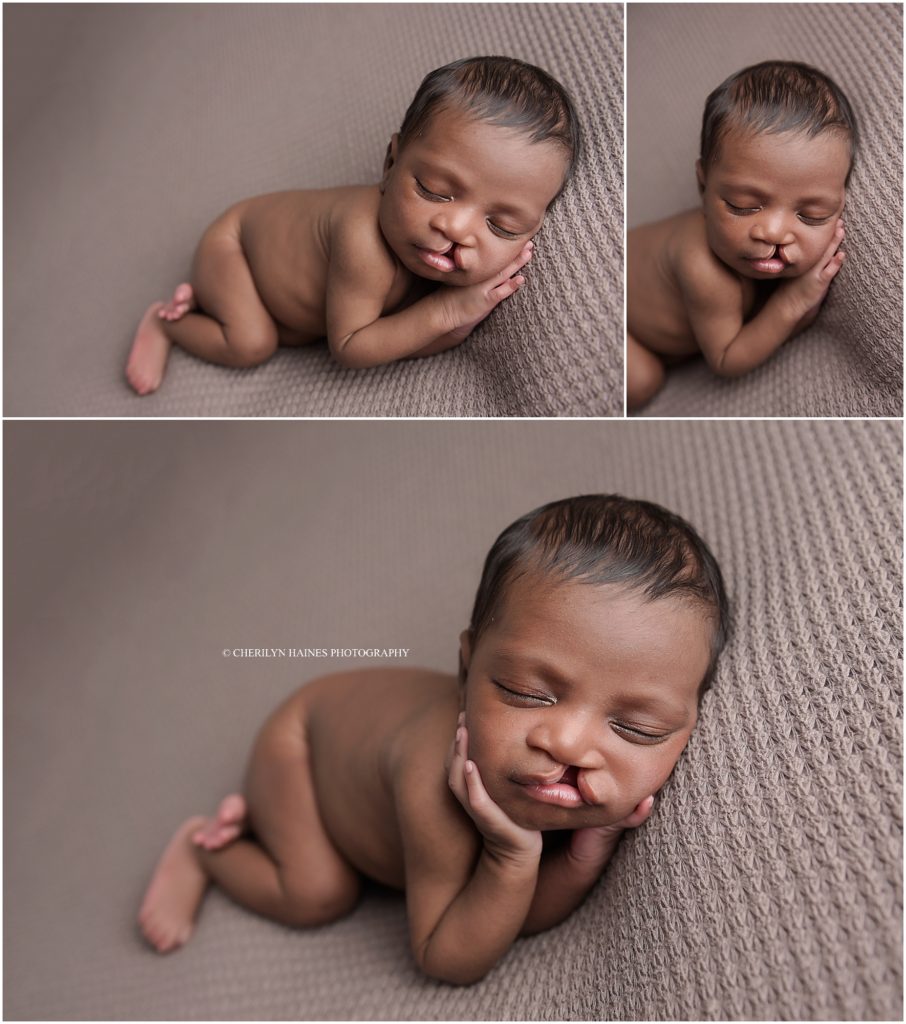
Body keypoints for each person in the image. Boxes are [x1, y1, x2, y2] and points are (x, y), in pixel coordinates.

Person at [138, 494, 729, 985]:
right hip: (304, 745)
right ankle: (206, 849)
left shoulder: (550, 782)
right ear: (466, 665)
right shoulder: (435, 782)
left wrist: (581, 859)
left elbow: (510, 915)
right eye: (527, 691)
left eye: (637, 728)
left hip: (356, 734)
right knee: (317, 893)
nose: (570, 744)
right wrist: (512, 854)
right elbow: (446, 955)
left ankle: (253, 821)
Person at [125, 56, 580, 394]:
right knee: (252, 342)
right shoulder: (363, 238)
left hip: (298, 294)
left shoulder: (429, 256)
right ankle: (170, 323)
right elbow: (350, 346)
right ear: (390, 163)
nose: (457, 228)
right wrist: (447, 313)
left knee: (298, 331)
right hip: (236, 246)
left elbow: (401, 337)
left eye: (502, 226)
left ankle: (210, 301)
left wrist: (456, 329)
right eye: (434, 190)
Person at [627, 61, 857, 410]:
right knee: (643, 380)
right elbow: (725, 360)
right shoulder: (704, 267)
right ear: (702, 186)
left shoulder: (744, 253)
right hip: (622, 322)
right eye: (743, 206)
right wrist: (792, 304)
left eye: (812, 215)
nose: (775, 232)